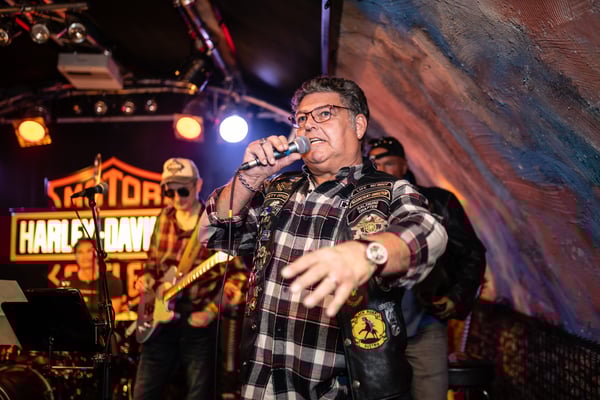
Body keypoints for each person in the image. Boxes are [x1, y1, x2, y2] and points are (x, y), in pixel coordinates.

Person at [203, 76, 448, 399]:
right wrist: (251, 176)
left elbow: (429, 232)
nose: (308, 125)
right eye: (301, 118)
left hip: (342, 390)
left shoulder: (389, 190)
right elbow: (213, 233)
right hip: (263, 387)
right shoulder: (277, 189)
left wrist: (368, 253)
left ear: (358, 125)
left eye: (324, 114)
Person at [368, 136, 487, 400]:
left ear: (404, 165)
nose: (382, 170)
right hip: (375, 332)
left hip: (424, 325)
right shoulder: (361, 209)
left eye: (389, 163)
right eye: (375, 164)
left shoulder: (437, 202)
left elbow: (472, 253)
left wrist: (455, 297)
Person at [133, 157, 244, 400]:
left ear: (198, 185)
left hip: (198, 321)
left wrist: (212, 311)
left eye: (182, 190)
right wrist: (147, 280)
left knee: (198, 394)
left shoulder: (214, 222)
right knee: (143, 392)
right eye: (169, 191)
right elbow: (152, 264)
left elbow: (238, 277)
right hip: (159, 323)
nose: (176, 197)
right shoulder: (163, 217)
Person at [62, 237, 124, 320]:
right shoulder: (66, 282)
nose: (85, 256)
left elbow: (112, 316)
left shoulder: (112, 282)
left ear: (97, 254)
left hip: (101, 327)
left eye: (89, 251)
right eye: (80, 252)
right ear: (75, 255)